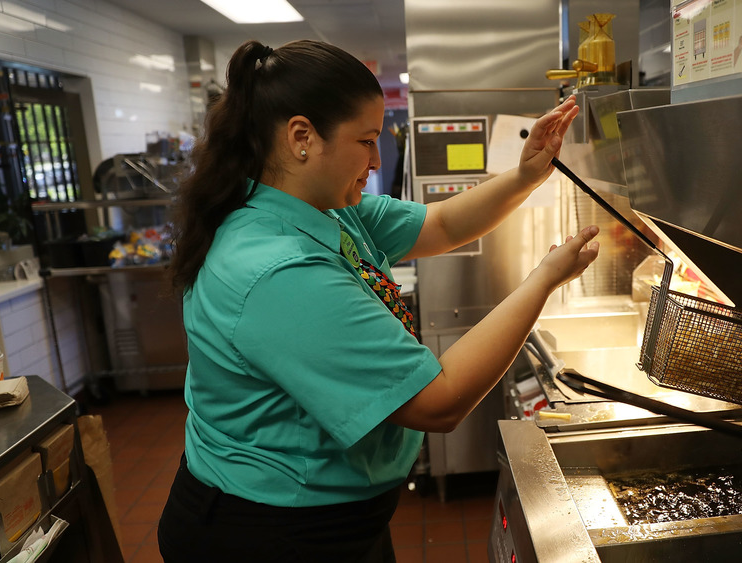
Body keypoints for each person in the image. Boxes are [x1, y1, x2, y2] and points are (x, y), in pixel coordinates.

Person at [156, 39, 598, 562]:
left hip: (330, 512)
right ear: (302, 137)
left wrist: (527, 175)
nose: (376, 159)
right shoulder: (277, 270)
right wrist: (542, 281)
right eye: (365, 141)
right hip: (269, 530)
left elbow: (440, 224)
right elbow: (441, 400)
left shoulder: (324, 207)